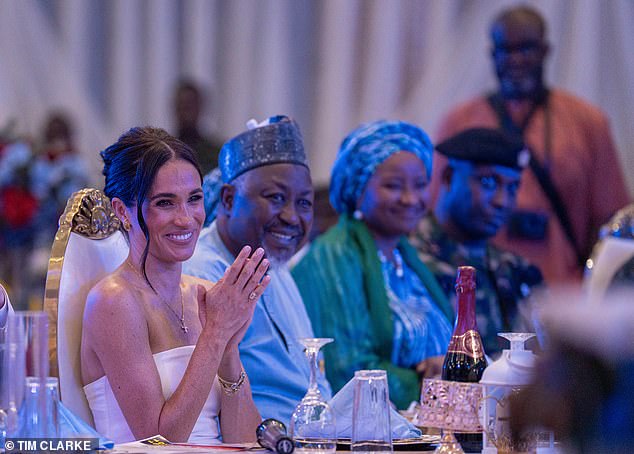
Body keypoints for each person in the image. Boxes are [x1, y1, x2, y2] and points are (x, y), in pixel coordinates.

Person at [80, 127, 268, 444]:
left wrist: (229, 349)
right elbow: (160, 442)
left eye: (194, 199)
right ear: (121, 211)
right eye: (165, 203)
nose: (186, 219)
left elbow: (246, 440)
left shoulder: (205, 294)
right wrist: (216, 334)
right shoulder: (113, 300)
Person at [433, 5, 629, 284]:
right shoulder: (460, 122)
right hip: (480, 290)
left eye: (525, 50)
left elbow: (611, 225)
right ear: (492, 55)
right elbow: (435, 214)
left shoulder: (588, 122)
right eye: (506, 51)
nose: (515, 61)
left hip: (563, 294)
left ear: (545, 51)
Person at [292, 120, 453, 410]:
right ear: (357, 188)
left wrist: (442, 368)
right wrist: (429, 384)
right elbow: (348, 371)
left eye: (420, 185)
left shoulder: (406, 256)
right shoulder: (335, 255)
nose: (411, 198)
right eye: (393, 186)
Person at [183, 116, 332, 426]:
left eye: (304, 203)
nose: (292, 217)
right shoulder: (200, 273)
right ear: (228, 198)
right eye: (276, 198)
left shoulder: (275, 267)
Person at [411, 128, 543, 356]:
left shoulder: (517, 270)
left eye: (512, 188)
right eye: (488, 182)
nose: (502, 201)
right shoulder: (409, 261)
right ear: (449, 177)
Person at [173, 79, 223, 175]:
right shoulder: (165, 151)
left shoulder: (216, 154)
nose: (186, 113)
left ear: (200, 107)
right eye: (182, 106)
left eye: (190, 106)